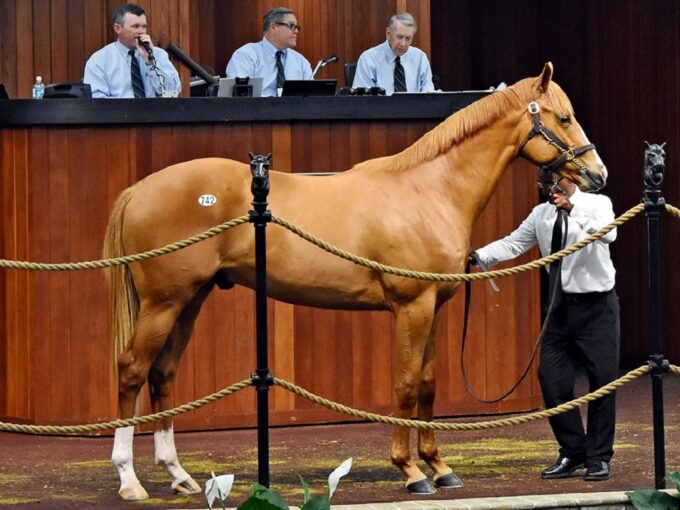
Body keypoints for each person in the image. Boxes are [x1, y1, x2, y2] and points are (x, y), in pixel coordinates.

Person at [471, 174, 620, 482]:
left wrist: (572, 209)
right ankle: (573, 451)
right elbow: (515, 243)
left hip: (597, 307)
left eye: (551, 179)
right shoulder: (541, 214)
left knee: (602, 383)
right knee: (552, 381)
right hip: (560, 308)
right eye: (542, 180)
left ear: (568, 178)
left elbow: (608, 236)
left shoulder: (597, 203)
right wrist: (479, 256)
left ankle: (599, 457)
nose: (545, 185)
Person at [83, 3, 181, 98]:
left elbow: (172, 93)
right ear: (118, 28)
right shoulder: (99, 60)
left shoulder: (159, 55)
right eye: (135, 26)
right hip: (118, 114)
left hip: (155, 113)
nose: (141, 31)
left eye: (144, 26)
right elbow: (96, 100)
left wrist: (150, 61)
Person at [226, 6, 312, 97]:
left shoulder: (301, 61)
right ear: (273, 27)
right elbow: (240, 97)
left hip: (295, 110)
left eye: (297, 27)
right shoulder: (246, 55)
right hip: (257, 110)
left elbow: (312, 97)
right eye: (292, 26)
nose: (296, 31)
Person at [352, 12, 434, 95]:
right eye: (399, 37)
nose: (403, 44)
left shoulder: (420, 58)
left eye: (408, 38)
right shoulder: (368, 59)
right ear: (388, 33)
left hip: (415, 107)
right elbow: (362, 100)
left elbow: (429, 95)